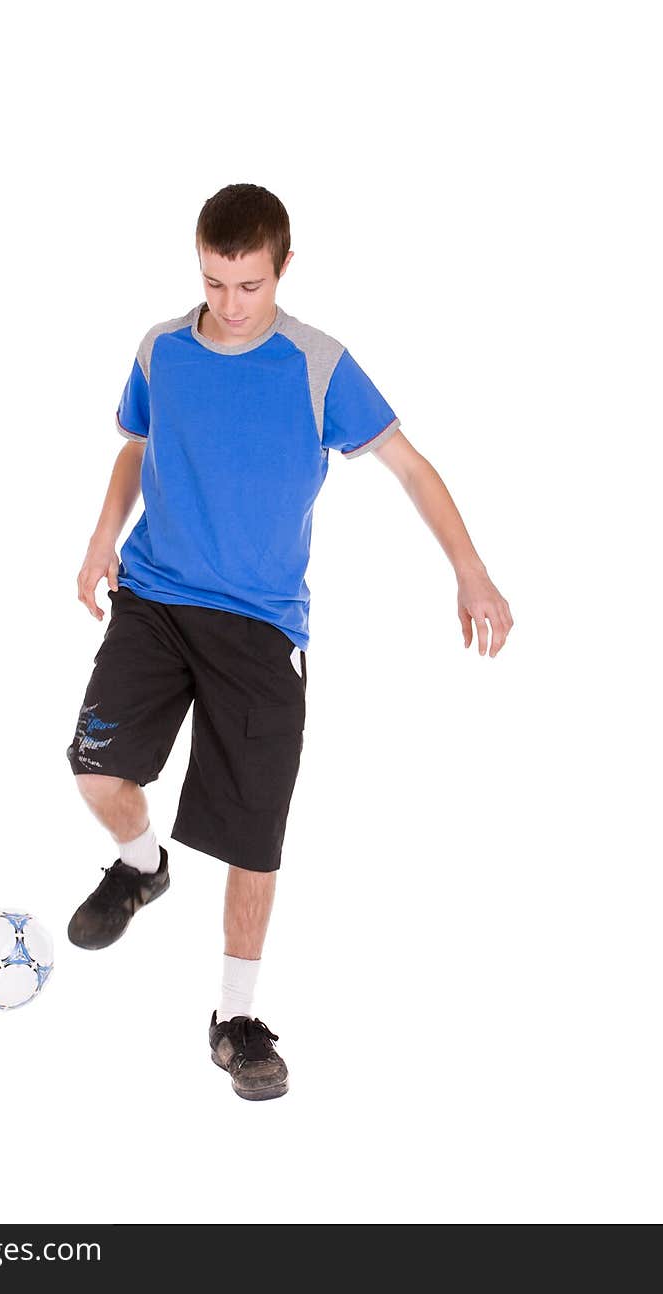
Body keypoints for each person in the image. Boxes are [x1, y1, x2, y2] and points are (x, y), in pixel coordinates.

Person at [65, 183, 513, 1101]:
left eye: (251, 285)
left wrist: (468, 568)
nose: (230, 306)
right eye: (215, 281)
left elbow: (411, 466)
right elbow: (133, 445)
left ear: (284, 268)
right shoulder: (162, 348)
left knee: (251, 838)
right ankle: (143, 867)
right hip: (154, 598)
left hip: (264, 626)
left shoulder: (318, 365)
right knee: (97, 773)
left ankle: (234, 1019)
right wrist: (103, 533)